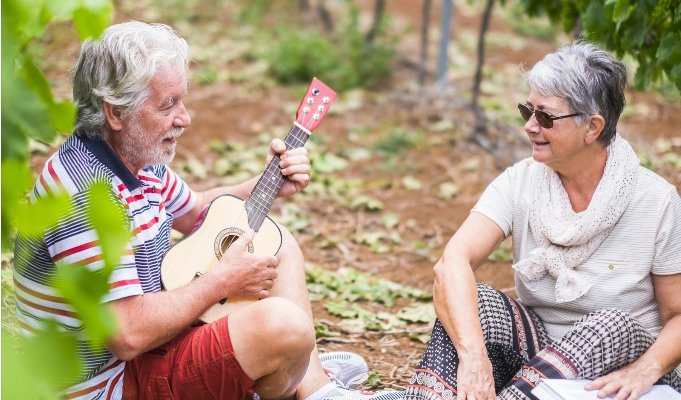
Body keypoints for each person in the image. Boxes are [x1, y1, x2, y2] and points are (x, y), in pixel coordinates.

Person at [13, 21, 403, 400]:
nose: (185, 118)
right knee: (283, 327)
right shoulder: (85, 195)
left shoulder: (134, 160)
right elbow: (127, 334)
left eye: (182, 100)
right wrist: (222, 280)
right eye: (168, 105)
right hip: (108, 385)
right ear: (114, 113)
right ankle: (281, 364)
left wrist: (267, 183)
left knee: (277, 244)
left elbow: (197, 209)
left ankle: (315, 385)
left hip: (144, 352)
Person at [404, 42, 681, 400]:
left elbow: (677, 315)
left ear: (592, 127)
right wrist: (474, 357)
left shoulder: (656, 201)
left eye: (546, 117)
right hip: (541, 353)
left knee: (608, 324)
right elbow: (452, 262)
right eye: (527, 111)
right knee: (474, 302)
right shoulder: (522, 181)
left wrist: (645, 370)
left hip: (630, 373)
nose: (530, 127)